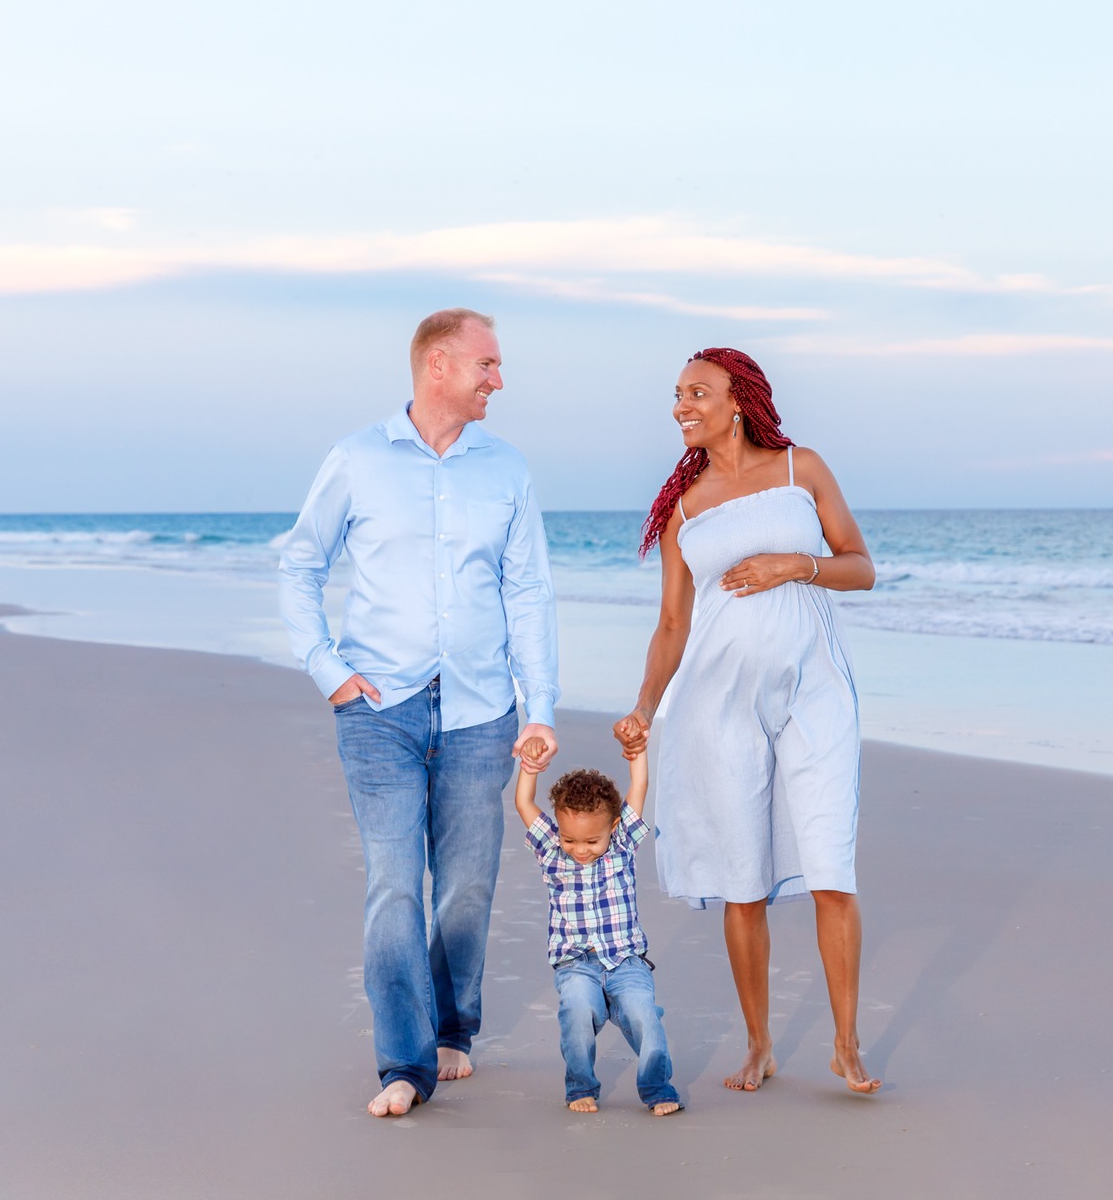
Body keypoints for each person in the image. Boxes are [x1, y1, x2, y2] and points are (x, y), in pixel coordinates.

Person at [277, 308, 560, 1119]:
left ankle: (454, 1029)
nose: (498, 380)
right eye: (488, 365)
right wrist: (327, 668)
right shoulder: (358, 460)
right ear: (439, 365)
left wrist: (539, 706)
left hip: (482, 709)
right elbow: (300, 563)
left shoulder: (507, 469)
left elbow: (529, 591)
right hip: (379, 710)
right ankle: (403, 1062)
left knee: (466, 887)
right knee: (395, 883)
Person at [613, 347, 881, 1095]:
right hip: (716, 703)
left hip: (816, 691)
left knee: (832, 865)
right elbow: (672, 624)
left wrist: (796, 565)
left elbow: (861, 565)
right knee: (743, 882)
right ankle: (760, 1045)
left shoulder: (803, 469)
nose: (681, 405)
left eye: (697, 391)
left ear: (740, 399)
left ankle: (846, 1045)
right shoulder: (684, 507)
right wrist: (642, 705)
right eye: (676, 394)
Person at [513, 749, 682, 1116]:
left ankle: (657, 1088)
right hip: (576, 964)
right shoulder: (551, 851)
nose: (580, 850)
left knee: (644, 1017)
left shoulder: (622, 845)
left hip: (626, 962)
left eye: (592, 842)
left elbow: (640, 784)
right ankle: (580, 1087)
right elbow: (523, 800)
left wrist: (637, 750)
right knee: (575, 1012)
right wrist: (530, 766)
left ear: (613, 828)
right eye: (571, 840)